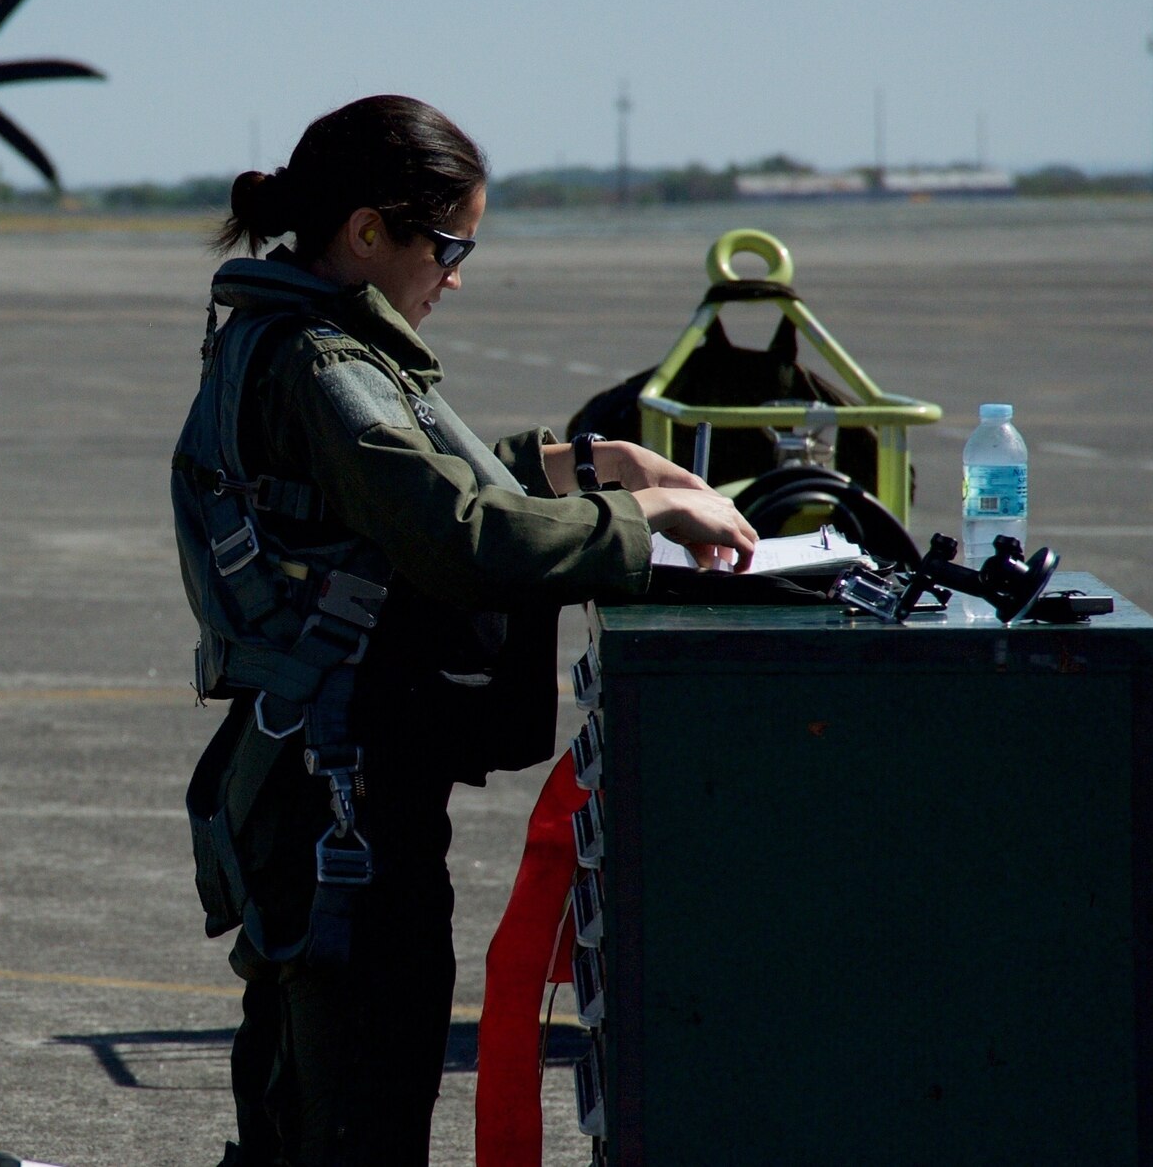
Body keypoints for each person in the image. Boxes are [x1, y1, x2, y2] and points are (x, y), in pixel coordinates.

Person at [171, 95, 756, 1167]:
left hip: (314, 777)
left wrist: (594, 461)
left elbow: (410, 476)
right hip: (337, 797)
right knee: (354, 1105)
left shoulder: (311, 339)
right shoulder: (319, 361)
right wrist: (644, 517)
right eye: (447, 245)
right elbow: (450, 530)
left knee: (312, 1089)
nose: (455, 273)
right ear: (365, 232)